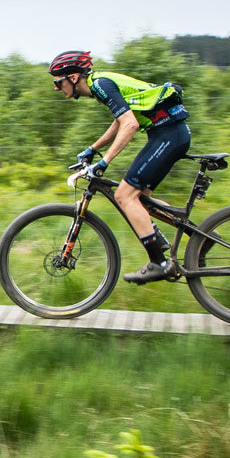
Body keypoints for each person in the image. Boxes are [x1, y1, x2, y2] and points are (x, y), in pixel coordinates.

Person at [47, 50, 190, 283]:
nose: (55, 87)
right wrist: (93, 149)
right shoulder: (100, 85)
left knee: (125, 196)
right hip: (168, 134)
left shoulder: (100, 85)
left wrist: (104, 162)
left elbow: (130, 124)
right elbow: (121, 120)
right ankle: (200, 236)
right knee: (142, 201)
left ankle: (159, 263)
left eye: (57, 81)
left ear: (73, 77)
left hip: (168, 135)